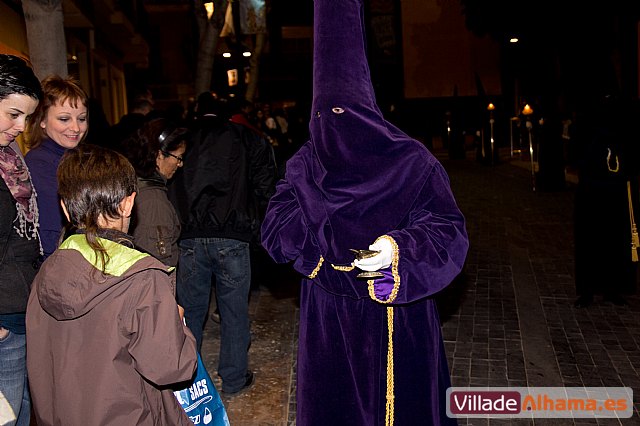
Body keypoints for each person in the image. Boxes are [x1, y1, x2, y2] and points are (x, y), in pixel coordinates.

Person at [259, 0, 469, 425]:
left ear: (367, 114)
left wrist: (397, 250)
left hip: (397, 318)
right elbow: (275, 226)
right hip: (328, 321)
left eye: (343, 114)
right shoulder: (306, 162)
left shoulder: (411, 161)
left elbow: (448, 230)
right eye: (323, 115)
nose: (332, 125)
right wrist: (321, 257)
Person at [25, 144, 198, 425]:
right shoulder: (142, 278)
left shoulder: (47, 272)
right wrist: (178, 326)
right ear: (128, 202)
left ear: (65, 209)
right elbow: (172, 368)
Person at [168, 91, 277, 395]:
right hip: (233, 235)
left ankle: (187, 379)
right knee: (233, 310)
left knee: (190, 311)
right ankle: (233, 378)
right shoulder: (246, 138)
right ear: (227, 113)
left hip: (190, 236)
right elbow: (266, 183)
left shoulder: (182, 140)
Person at [0, 54, 42, 426]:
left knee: (24, 412)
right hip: (2, 320)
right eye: (14, 113)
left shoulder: (8, 157)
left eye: (26, 117)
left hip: (17, 308)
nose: (21, 125)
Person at [572, 94, 639, 307]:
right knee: (590, 240)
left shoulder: (623, 126)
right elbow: (577, 155)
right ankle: (588, 289)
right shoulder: (585, 125)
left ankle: (613, 287)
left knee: (615, 240)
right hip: (592, 190)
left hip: (615, 191)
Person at [24, 75, 88, 258]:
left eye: (81, 119)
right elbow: (52, 235)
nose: (76, 128)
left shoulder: (78, 158)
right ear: (42, 120)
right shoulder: (39, 165)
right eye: (64, 119)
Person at [122, 118, 188, 266]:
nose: (180, 164)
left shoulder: (135, 183)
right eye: (178, 157)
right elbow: (157, 262)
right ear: (159, 155)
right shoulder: (154, 201)